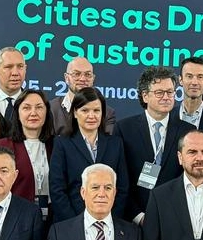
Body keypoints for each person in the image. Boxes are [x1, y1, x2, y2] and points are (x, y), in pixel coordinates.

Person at [120, 67, 194, 222]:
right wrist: (138, 216)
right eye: (160, 93)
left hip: (175, 218)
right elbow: (119, 178)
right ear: (145, 96)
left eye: (170, 92)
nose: (166, 97)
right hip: (134, 220)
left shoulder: (188, 131)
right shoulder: (124, 129)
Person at [50, 86, 129, 222]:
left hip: (108, 221)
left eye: (96, 110)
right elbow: (57, 189)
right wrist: (75, 223)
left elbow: (122, 188)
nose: (91, 116)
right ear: (75, 113)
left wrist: (109, 220)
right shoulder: (62, 144)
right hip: (71, 222)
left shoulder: (115, 144)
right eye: (85, 110)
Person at [8, 88, 56, 207]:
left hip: (54, 213)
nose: (33, 113)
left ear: (47, 112)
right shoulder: (3, 146)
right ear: (18, 113)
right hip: (18, 212)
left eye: (39, 107)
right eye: (27, 108)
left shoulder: (57, 144)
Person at [50, 56, 118, 135]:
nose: (82, 79)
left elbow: (107, 141)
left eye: (87, 74)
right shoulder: (51, 109)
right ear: (66, 78)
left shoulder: (107, 113)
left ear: (93, 78)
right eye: (76, 74)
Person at [177, 56, 203, 129]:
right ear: (180, 80)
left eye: (200, 77)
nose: (194, 82)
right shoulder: (168, 117)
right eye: (189, 76)